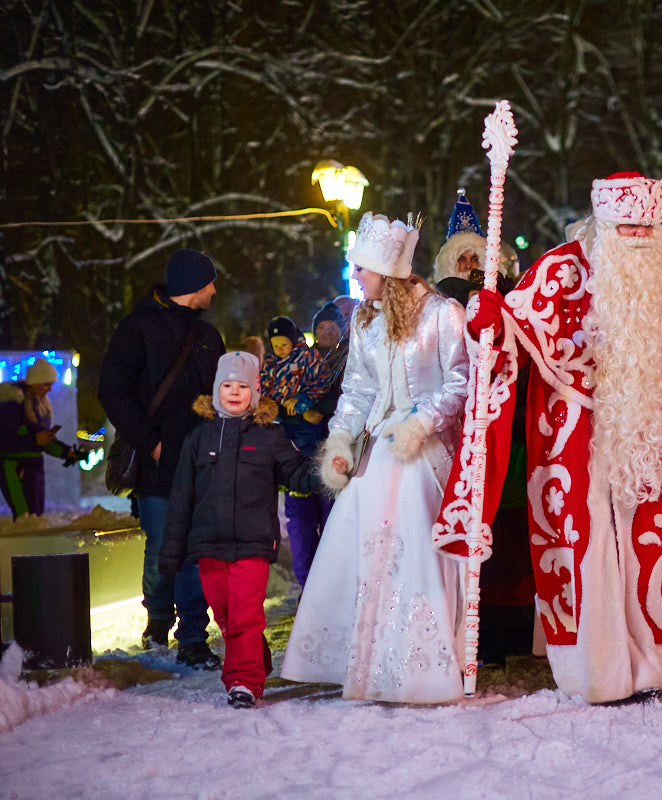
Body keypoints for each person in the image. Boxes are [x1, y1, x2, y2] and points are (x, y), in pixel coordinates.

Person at [434, 172, 662, 704]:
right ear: (602, 226)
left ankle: (653, 668)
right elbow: (508, 347)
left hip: (651, 438)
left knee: (652, 550)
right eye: (626, 227)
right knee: (581, 548)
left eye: (646, 228)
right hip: (571, 438)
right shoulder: (556, 272)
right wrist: (487, 325)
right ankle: (594, 671)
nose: (637, 237)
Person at [280, 211, 470, 704]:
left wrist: (419, 424)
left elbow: (459, 380)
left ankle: (413, 663)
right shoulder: (364, 322)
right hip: (375, 452)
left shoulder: (440, 313)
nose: (355, 277)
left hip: (420, 452)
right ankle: (360, 659)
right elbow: (357, 391)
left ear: (385, 269)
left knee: (409, 544)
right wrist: (340, 441)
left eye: (360, 268)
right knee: (361, 543)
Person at [159, 352, 320, 708]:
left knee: (246, 615)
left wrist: (329, 470)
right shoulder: (198, 438)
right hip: (209, 547)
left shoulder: (270, 436)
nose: (234, 392)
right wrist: (171, 551)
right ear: (217, 391)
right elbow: (182, 496)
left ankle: (243, 681)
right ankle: (256, 662)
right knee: (228, 617)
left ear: (255, 392)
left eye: (242, 386)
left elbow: (296, 472)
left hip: (253, 544)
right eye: (228, 385)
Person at [98, 248, 224, 669]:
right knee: (161, 550)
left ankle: (192, 637)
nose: (214, 289)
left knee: (194, 550)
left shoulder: (208, 336)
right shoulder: (137, 329)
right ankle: (157, 620)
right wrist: (152, 443)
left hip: (202, 461)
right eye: (209, 282)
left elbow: (222, 395)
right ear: (194, 285)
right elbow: (113, 391)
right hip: (156, 465)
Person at [260, 315, 332, 589]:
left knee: (324, 517)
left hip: (314, 439)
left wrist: (303, 403)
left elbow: (321, 385)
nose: (280, 349)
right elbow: (265, 392)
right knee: (300, 522)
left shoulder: (309, 359)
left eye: (284, 343)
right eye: (275, 345)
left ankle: (328, 582)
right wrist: (278, 407)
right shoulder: (270, 365)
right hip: (285, 430)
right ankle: (308, 584)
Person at [0, 357, 81, 518]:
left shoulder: (37, 404)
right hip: (14, 467)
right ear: (34, 382)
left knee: (36, 516)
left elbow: (43, 440)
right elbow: (4, 440)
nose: (49, 389)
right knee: (26, 517)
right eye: (46, 384)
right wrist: (34, 440)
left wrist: (66, 453)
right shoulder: (13, 404)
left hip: (34, 467)